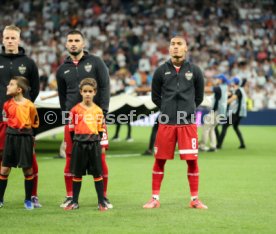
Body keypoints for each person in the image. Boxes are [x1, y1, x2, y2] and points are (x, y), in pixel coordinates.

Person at [143, 35, 207, 209]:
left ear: (186, 48)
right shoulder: (160, 71)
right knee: (160, 160)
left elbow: (199, 96)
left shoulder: (195, 70)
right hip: (166, 122)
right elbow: (155, 96)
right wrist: (167, 108)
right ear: (169, 48)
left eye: (179, 44)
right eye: (173, 44)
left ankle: (194, 199)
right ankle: (154, 198)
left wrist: (188, 109)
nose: (176, 47)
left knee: (192, 161)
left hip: (187, 123)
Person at [56, 30, 112, 208]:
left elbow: (104, 87)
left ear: (83, 43)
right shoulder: (62, 69)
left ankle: (103, 197)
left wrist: (103, 112)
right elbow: (62, 96)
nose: (73, 43)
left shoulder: (96, 62)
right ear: (66, 44)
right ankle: (70, 196)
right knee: (70, 158)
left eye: (77, 40)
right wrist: (67, 117)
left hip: (96, 119)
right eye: (70, 40)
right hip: (74, 120)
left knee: (100, 158)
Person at [0, 25, 41, 208]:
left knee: (30, 161)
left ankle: (32, 196)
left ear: (19, 40)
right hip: (1, 119)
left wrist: (24, 108)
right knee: (3, 162)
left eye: (13, 38)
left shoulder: (29, 63)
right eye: (7, 38)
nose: (10, 41)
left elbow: (35, 88)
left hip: (22, 121)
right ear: (2, 39)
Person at [64, 78, 108, 211]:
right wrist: (77, 142)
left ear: (95, 92)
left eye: (90, 91)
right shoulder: (75, 110)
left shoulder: (98, 111)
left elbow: (101, 130)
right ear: (81, 92)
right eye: (85, 91)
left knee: (97, 174)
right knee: (77, 174)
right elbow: (71, 130)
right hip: (79, 145)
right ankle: (75, 202)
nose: (87, 94)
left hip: (94, 145)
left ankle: (101, 202)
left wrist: (99, 144)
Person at [0, 76, 39, 209]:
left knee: (28, 170)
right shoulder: (6, 104)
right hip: (10, 137)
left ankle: (28, 200)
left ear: (19, 89)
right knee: (4, 169)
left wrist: (32, 138)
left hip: (25, 138)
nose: (7, 86)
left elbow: (35, 123)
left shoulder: (30, 105)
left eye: (11, 84)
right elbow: (5, 121)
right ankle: (0, 199)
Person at [199, 74, 228, 152]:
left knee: (205, 127)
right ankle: (213, 146)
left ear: (221, 80)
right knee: (212, 128)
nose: (215, 80)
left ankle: (202, 146)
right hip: (221, 112)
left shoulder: (219, 88)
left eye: (217, 79)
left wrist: (197, 85)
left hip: (216, 111)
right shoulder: (225, 88)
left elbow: (206, 90)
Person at [217, 77, 247, 149]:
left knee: (224, 126)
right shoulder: (240, 90)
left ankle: (219, 145)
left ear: (234, 83)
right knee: (235, 127)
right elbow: (230, 94)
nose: (231, 83)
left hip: (235, 113)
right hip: (240, 113)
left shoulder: (238, 91)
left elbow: (232, 98)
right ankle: (242, 144)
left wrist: (223, 103)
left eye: (232, 82)